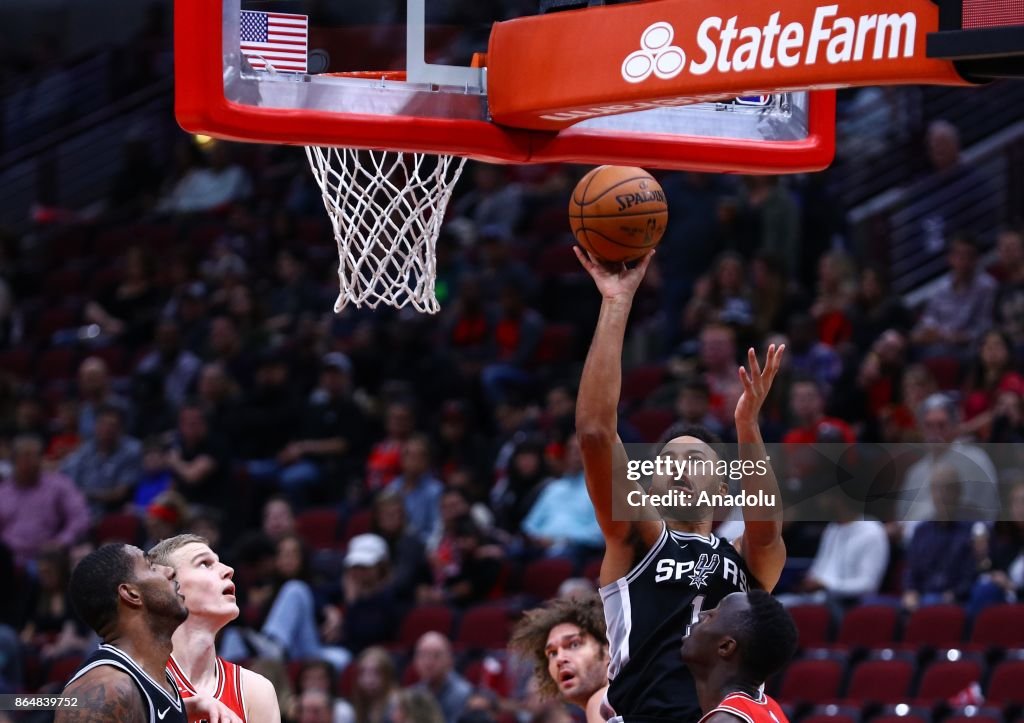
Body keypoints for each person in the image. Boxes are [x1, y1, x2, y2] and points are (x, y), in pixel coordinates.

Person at [572, 247, 787, 723]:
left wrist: (747, 425)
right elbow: (594, 433)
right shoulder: (639, 539)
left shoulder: (745, 563)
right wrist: (616, 300)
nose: (677, 468)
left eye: (694, 459)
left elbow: (767, 530)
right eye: (666, 462)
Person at [148, 534, 281, 723]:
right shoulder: (133, 681)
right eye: (204, 563)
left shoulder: (255, 691)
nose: (229, 570)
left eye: (219, 562)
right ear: (167, 587)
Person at [57, 544, 189, 723]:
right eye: (151, 566)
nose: (170, 571)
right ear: (131, 594)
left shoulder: (159, 679)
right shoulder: (103, 692)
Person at [680, 591, 797, 723]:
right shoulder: (771, 709)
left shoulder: (727, 721)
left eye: (711, 616)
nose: (701, 615)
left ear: (725, 646)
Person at [509, 594, 609, 721]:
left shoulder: (602, 703)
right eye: (552, 653)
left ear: (607, 650)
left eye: (574, 644)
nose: (560, 659)